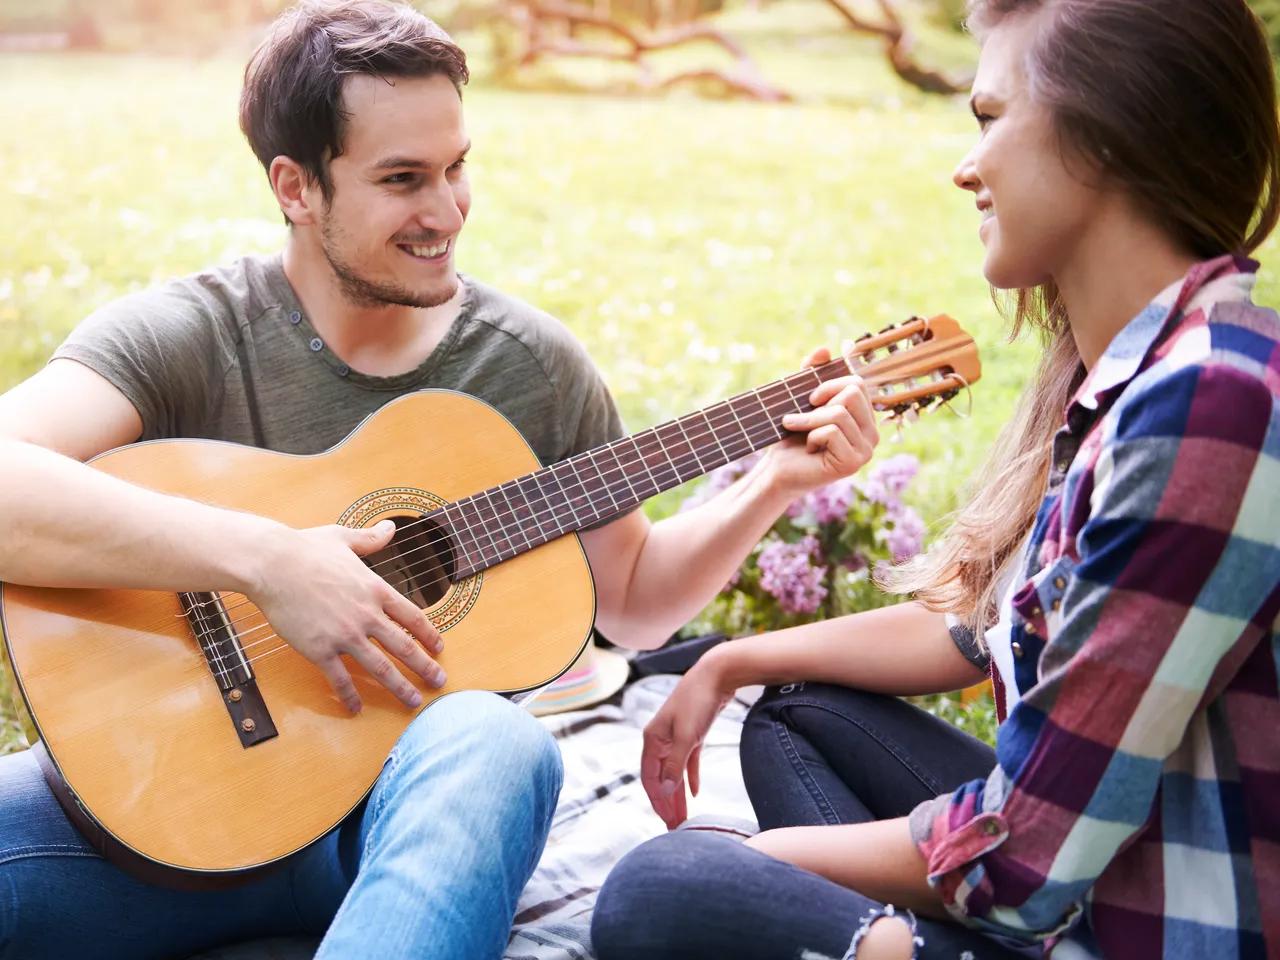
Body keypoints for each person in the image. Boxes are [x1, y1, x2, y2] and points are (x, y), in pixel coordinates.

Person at [0, 3, 881, 958]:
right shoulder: (191, 334)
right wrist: (270, 563)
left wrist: (772, 483)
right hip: (154, 816)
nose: (448, 210)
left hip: (414, 818)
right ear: (296, 187)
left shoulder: (529, 367)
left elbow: (632, 603)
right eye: (402, 179)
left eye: (457, 167)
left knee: (500, 742)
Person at [591, 1, 1280, 958]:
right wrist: (731, 659)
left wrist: (751, 862)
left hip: (1138, 930)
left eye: (991, 118)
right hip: (1101, 874)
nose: (966, 167)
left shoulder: (1207, 406)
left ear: (1105, 138)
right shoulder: (1153, 376)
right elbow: (979, 628)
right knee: (797, 717)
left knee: (663, 886)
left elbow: (1024, 858)